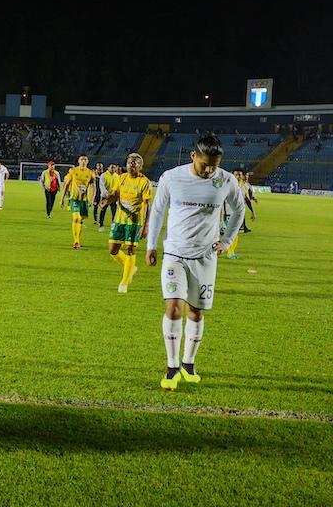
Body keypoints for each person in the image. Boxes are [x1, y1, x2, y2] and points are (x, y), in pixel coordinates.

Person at [145, 135, 245, 391]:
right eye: (205, 165)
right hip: (175, 254)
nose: (209, 170)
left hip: (205, 257)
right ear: (193, 156)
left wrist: (226, 241)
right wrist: (151, 245)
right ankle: (171, 367)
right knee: (173, 308)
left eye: (214, 165)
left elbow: (238, 210)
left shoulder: (225, 180)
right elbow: (157, 210)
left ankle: (188, 363)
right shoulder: (172, 177)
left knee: (196, 312)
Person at [100, 154, 152, 293]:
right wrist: (106, 201)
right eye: (129, 163)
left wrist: (146, 225)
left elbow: (147, 204)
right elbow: (115, 195)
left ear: (140, 166)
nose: (131, 165)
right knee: (113, 250)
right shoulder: (121, 178)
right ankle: (130, 268)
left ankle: (124, 282)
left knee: (130, 249)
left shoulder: (144, 182)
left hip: (134, 222)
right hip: (119, 219)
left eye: (134, 163)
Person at [61, 155, 95, 249]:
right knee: (76, 218)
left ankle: (78, 239)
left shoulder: (90, 173)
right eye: (81, 159)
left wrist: (91, 199)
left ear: (87, 162)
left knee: (80, 220)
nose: (83, 161)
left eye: (85, 160)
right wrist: (62, 199)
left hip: (84, 200)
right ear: (78, 161)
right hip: (74, 199)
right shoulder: (73, 171)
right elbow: (66, 185)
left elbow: (93, 186)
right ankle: (76, 241)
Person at [98, 164, 119, 231]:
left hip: (113, 197)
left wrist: (114, 194)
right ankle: (101, 225)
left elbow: (117, 186)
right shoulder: (103, 175)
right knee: (103, 210)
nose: (113, 169)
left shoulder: (117, 176)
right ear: (108, 168)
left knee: (114, 211)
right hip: (105, 197)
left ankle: (113, 225)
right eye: (111, 167)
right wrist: (107, 194)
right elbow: (102, 186)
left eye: (114, 168)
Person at [92, 162, 105, 227]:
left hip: (102, 193)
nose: (99, 167)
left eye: (100, 166)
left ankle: (100, 221)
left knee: (102, 207)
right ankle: (95, 220)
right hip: (96, 193)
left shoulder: (104, 174)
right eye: (98, 166)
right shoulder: (94, 174)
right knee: (95, 206)